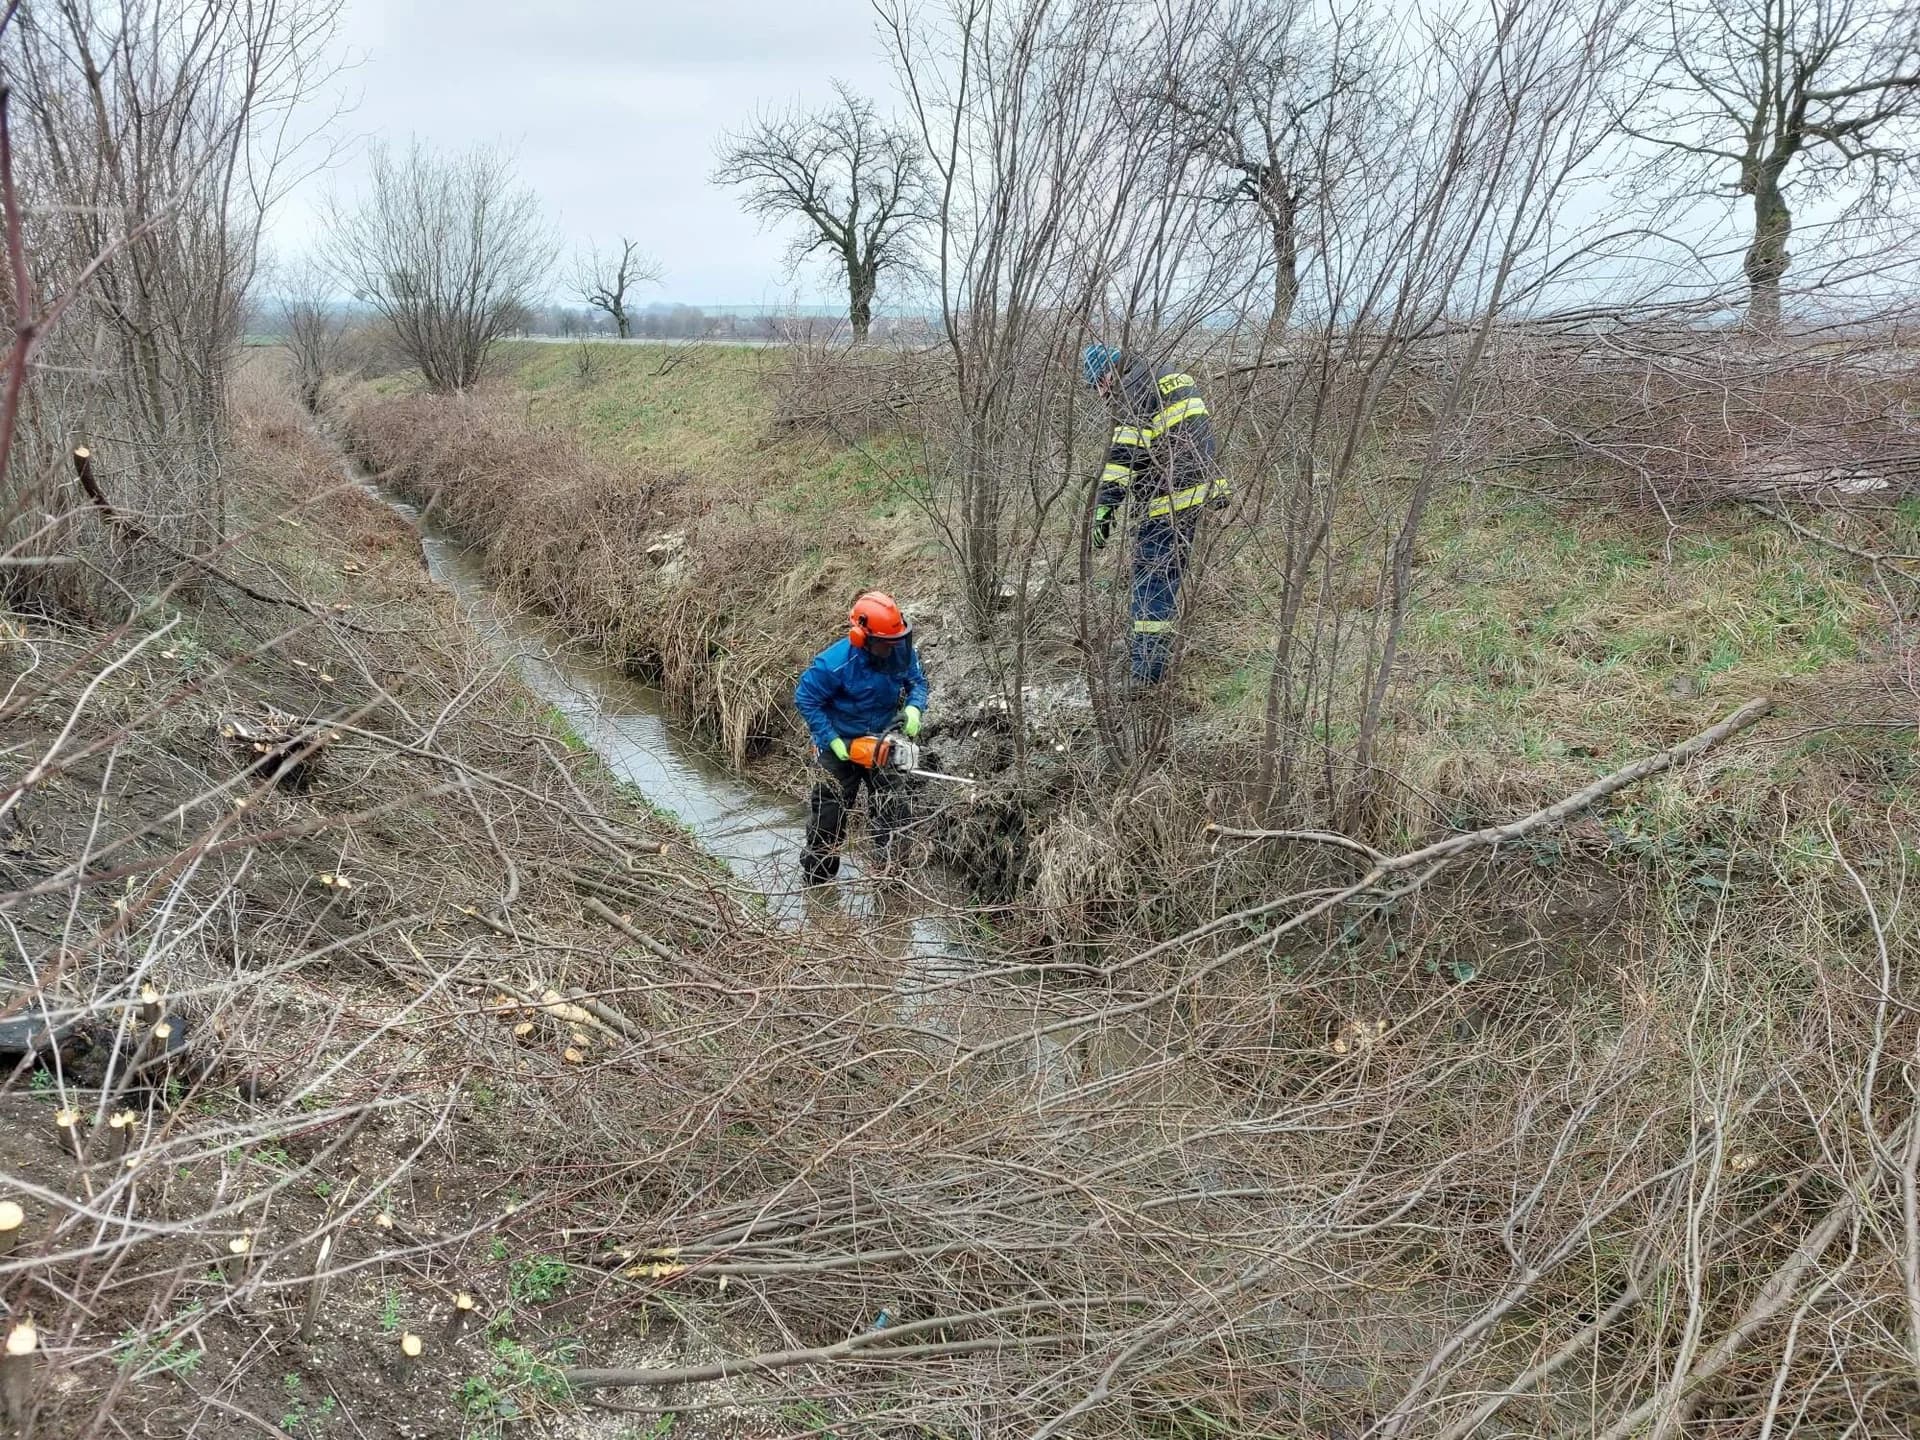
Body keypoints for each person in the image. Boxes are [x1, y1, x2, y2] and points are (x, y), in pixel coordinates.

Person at [1083, 342, 1231, 686]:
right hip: (1197, 492)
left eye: (1096, 387)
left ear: (1106, 375)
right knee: (1168, 578)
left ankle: (1146, 671)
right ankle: (1148, 648)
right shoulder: (1167, 375)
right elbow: (1199, 436)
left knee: (1150, 581)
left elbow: (1123, 458)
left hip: (1168, 500)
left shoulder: (1132, 390)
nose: (1099, 395)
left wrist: (1105, 507)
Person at [794, 590, 930, 885]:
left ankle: (892, 879)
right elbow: (805, 698)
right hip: (840, 743)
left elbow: (917, 683)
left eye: (896, 642)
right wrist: (830, 738)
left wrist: (914, 709)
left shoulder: (900, 653)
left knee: (893, 811)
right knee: (827, 816)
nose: (891, 648)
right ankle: (819, 882)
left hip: (883, 739)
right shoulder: (833, 664)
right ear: (862, 637)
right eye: (885, 643)